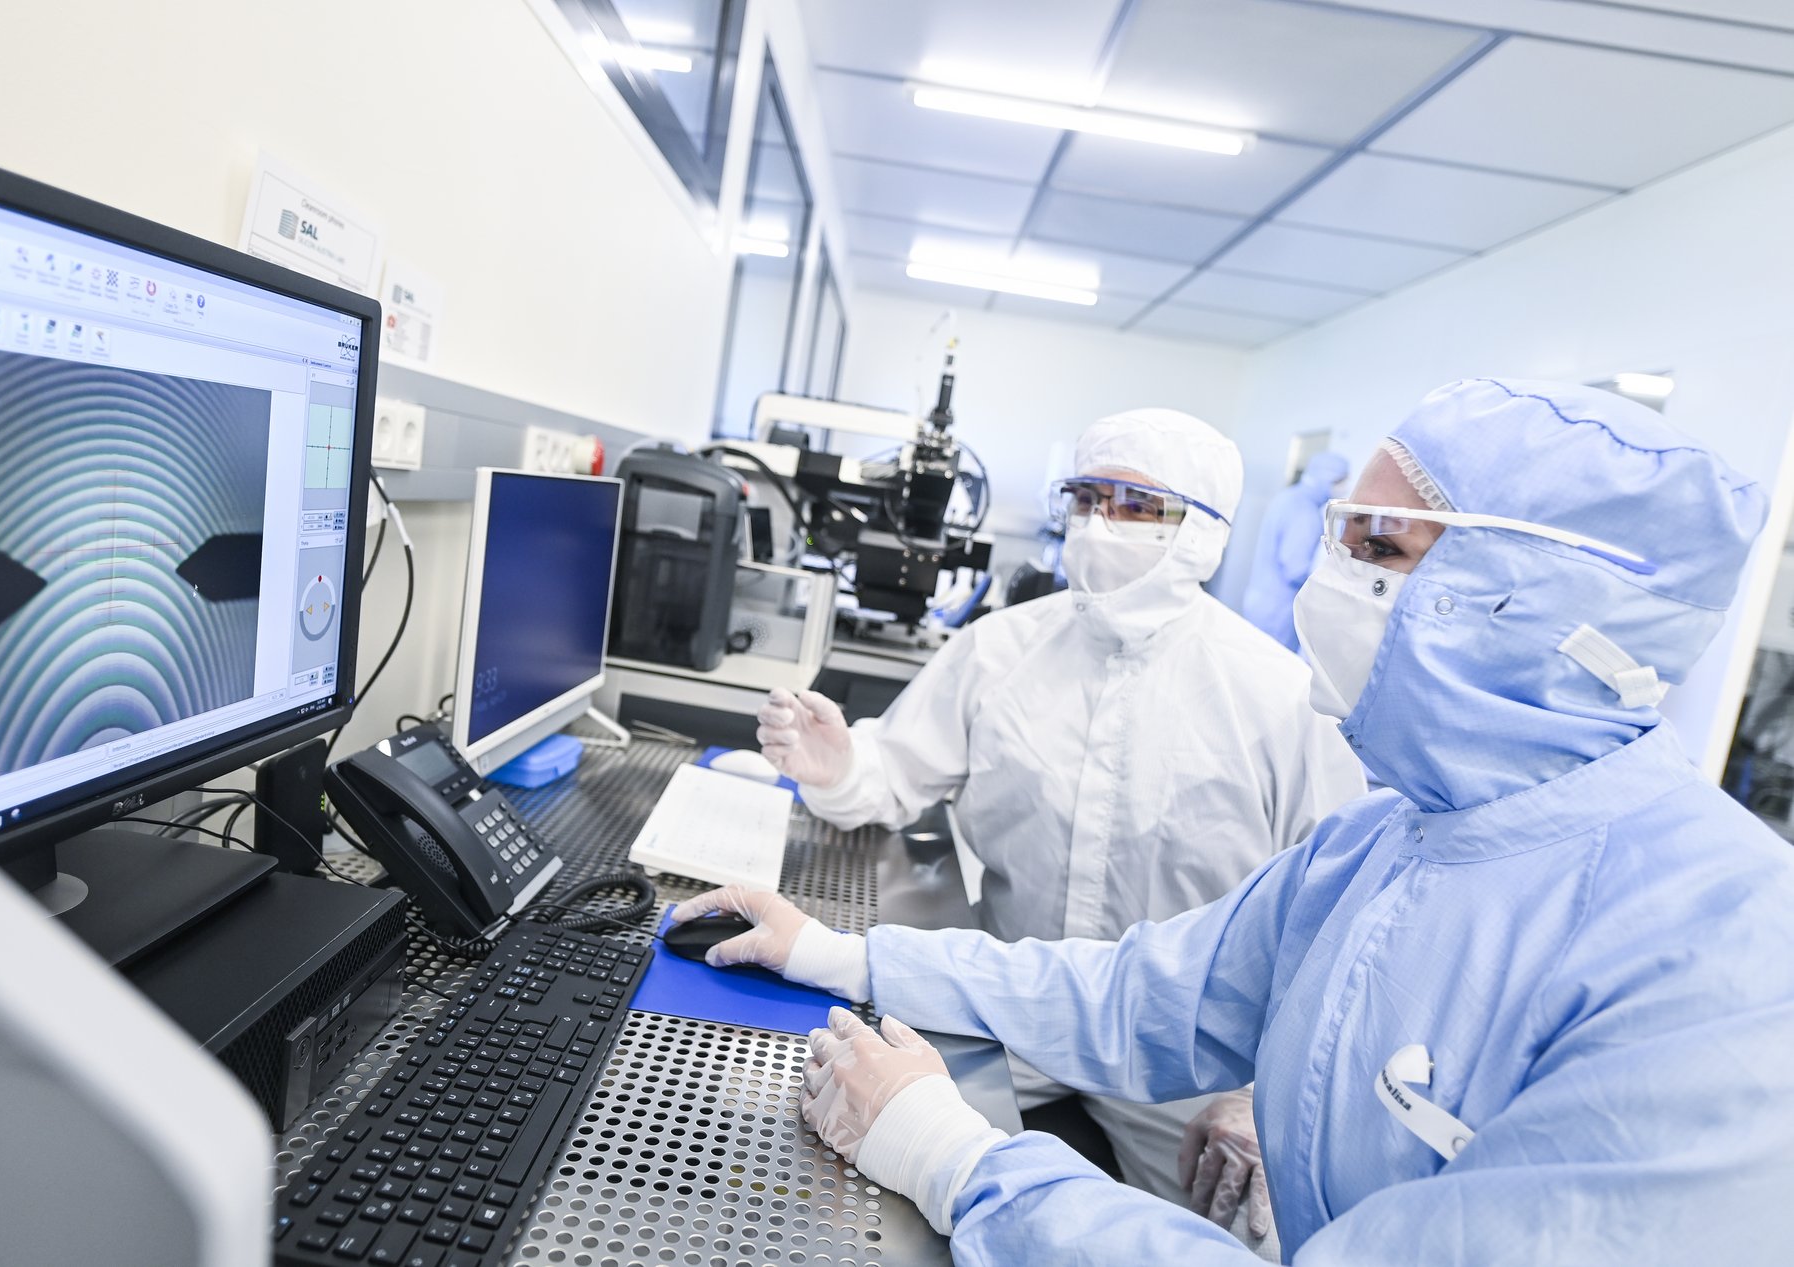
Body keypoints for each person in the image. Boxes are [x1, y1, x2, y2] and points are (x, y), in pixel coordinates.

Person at [680, 378, 1794, 1262]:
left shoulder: (1729, 960)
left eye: (1381, 550)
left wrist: (953, 1157)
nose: (1329, 580)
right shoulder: (1393, 838)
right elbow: (1139, 995)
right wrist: (834, 951)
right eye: (1337, 534)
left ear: (1541, 599)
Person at [752, 408, 1365, 1243]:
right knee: (862, 1189)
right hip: (1009, 1006)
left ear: (1206, 531)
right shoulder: (997, 651)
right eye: (1084, 497)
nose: (1098, 523)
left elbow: (1333, 920)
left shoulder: (1281, 698)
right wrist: (840, 768)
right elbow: (891, 773)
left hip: (1192, 1068)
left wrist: (1262, 1094)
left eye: (1135, 505)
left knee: (1230, 1231)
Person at [1239, 451, 1350, 651]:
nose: (1343, 487)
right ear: (1327, 478)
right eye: (1340, 481)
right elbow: (1295, 569)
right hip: (1278, 610)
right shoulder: (1305, 513)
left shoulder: (1287, 497)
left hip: (1259, 599)